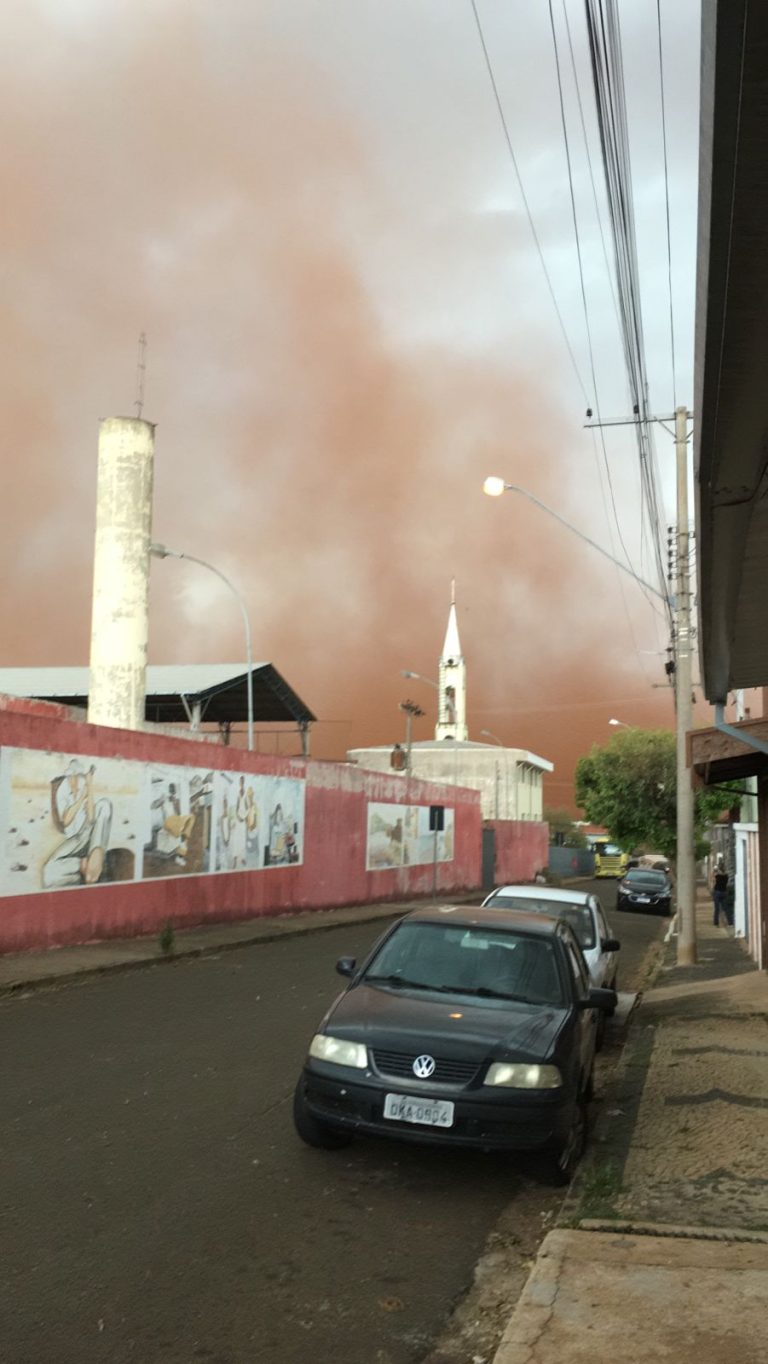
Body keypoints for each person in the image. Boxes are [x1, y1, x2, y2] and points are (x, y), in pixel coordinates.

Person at [42, 760, 113, 888]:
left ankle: (96, 854)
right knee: (48, 872)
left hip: (88, 831)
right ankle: (83, 865)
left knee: (104, 804)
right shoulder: (62, 790)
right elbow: (66, 820)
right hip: (75, 839)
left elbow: (91, 818)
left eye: (79, 776)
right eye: (73, 776)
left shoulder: (83, 784)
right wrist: (81, 798)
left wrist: (90, 786)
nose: (76, 779)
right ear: (69, 775)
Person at [712, 858, 730, 927]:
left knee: (717, 909)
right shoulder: (726, 876)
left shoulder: (717, 876)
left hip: (717, 892)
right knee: (726, 908)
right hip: (724, 892)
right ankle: (730, 922)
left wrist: (715, 870)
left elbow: (713, 877)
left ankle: (716, 923)